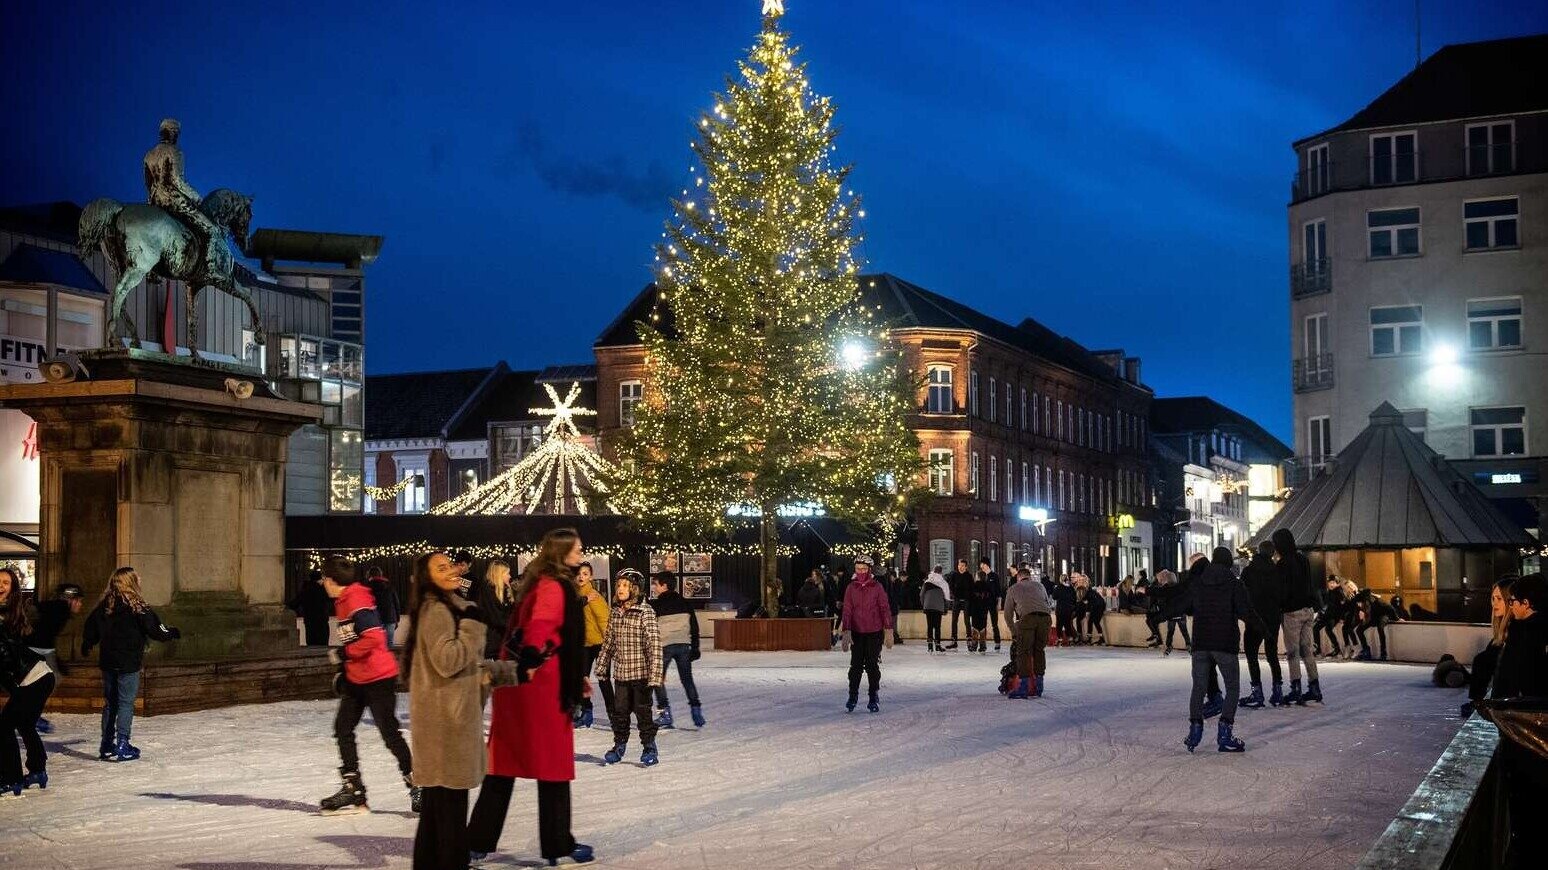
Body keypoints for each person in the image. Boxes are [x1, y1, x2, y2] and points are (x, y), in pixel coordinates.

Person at [471, 529, 594, 867]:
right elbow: (542, 625)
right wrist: (531, 657)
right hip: (540, 687)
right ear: (562, 551)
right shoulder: (554, 586)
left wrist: (575, 675)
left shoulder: (538, 582)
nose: (581, 551)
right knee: (552, 767)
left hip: (526, 687)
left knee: (503, 766)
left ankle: (477, 840)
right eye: (577, 547)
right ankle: (557, 843)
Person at [402, 549, 518, 869]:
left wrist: (511, 672)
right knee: (450, 819)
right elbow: (450, 660)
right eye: (442, 568)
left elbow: (471, 670)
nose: (452, 570)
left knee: (436, 818)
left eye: (450, 564)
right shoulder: (437, 610)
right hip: (447, 730)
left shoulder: (447, 607)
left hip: (443, 726)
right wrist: (472, 626)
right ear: (428, 578)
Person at [316, 556, 418, 815]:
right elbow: (357, 639)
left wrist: (342, 655)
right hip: (357, 677)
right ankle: (353, 787)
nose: (322, 583)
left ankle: (418, 786)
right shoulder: (345, 600)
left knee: (390, 734)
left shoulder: (355, 599)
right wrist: (345, 667)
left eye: (323, 579)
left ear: (330, 581)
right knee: (343, 728)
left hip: (378, 677)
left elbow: (374, 638)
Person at [81, 567, 180, 762]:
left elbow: (90, 626)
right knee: (125, 702)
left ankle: (107, 744)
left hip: (108, 662)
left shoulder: (105, 606)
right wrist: (172, 633)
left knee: (111, 703)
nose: (140, 578)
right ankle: (122, 743)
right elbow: (155, 629)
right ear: (131, 582)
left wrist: (88, 642)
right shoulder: (138, 606)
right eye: (137, 577)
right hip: (128, 662)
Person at [1174, 547, 1264, 753]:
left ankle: (1195, 730)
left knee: (1198, 687)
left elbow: (1182, 604)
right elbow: (1245, 612)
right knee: (1232, 688)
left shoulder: (1198, 583)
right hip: (1224, 644)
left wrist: (1158, 616)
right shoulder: (1234, 583)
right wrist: (1264, 629)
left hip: (1201, 644)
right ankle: (1224, 733)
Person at [1491, 573, 1548, 869]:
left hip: (1527, 745)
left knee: (1528, 820)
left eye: (1512, 601)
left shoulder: (1524, 635)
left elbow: (1506, 687)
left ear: (1526, 604)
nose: (1510, 607)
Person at [595, 570, 662, 764]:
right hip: (622, 675)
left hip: (641, 675)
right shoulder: (615, 612)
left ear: (634, 589)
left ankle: (649, 747)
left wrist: (655, 674)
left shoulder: (645, 612)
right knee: (620, 713)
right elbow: (609, 642)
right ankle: (619, 745)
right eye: (619, 585)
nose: (620, 589)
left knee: (643, 713)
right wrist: (602, 665)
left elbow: (654, 645)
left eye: (625, 585)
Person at [1, 566, 55, 795]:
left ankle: (11, 778)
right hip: (35, 677)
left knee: (3, 727)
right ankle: (37, 770)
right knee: (24, 724)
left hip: (34, 677)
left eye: (5, 582)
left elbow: (3, 656)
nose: (0, 586)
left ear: (13, 588)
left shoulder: (10, 614)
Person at [143, 118, 222, 270]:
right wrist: (197, 198)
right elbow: (177, 181)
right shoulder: (175, 151)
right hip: (172, 199)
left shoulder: (148, 155)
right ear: (172, 133)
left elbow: (148, 183)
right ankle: (208, 266)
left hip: (155, 201)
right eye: (176, 133)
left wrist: (152, 201)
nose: (176, 136)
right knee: (211, 229)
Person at [23, 581, 82, 735]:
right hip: (39, 650)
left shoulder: (58, 609)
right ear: (71, 599)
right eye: (79, 600)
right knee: (48, 681)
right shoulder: (60, 608)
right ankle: (31, 716)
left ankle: (31, 714)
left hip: (41, 649)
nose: (80, 605)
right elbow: (43, 630)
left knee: (46, 681)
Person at [1274, 529, 1323, 705]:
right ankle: (1314, 686)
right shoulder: (1303, 559)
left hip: (1292, 612)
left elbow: (1281, 590)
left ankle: (1296, 688)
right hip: (1308, 610)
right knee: (1307, 650)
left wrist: (1280, 605)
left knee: (1293, 652)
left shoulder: (1283, 564)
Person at [651, 571, 704, 730]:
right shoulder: (685, 603)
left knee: (657, 679)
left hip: (664, 645)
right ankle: (696, 709)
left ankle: (665, 713)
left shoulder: (656, 604)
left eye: (656, 584)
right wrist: (695, 647)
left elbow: (652, 628)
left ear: (664, 585)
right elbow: (694, 627)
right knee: (687, 679)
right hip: (683, 645)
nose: (654, 587)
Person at [840, 555, 892, 712]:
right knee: (855, 666)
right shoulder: (851, 588)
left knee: (872, 665)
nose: (861, 571)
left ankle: (873, 695)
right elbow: (847, 610)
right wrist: (846, 630)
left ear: (869, 570)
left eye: (863, 569)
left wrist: (888, 629)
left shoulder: (877, 587)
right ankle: (853, 695)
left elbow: (884, 608)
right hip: (856, 632)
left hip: (874, 632)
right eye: (858, 569)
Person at [1238, 541, 1285, 708]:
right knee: (1272, 654)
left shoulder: (1249, 571)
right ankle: (1277, 690)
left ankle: (1257, 691)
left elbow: (1242, 594)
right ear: (1272, 554)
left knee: (1252, 655)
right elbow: (1282, 594)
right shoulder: (1277, 571)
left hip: (1255, 617)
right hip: (1272, 617)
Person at [1461, 575, 1515, 718]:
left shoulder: (1516, 630)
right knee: (1483, 657)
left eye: (1499, 599)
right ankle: (1478, 701)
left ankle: (1479, 701)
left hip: (1511, 701)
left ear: (1510, 601)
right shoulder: (1500, 635)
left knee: (1483, 659)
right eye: (1493, 599)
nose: (1494, 603)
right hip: (1499, 699)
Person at [1004, 567, 1053, 698]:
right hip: (1046, 618)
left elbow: (1007, 615)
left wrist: (1014, 632)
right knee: (1039, 650)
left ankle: (1023, 687)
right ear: (1029, 577)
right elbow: (1048, 604)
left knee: (1023, 652)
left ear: (1018, 578)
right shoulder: (1040, 586)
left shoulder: (1013, 588)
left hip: (1027, 618)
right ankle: (1039, 685)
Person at [573, 563, 612, 729]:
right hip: (584, 644)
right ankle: (586, 712)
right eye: (579, 574)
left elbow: (604, 620)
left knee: (603, 680)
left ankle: (614, 714)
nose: (581, 577)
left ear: (591, 576)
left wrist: (608, 644)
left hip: (599, 643)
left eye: (585, 574)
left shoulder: (593, 595)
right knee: (582, 679)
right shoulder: (576, 596)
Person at [478, 559, 517, 660]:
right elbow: (496, 618)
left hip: (504, 642)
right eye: (507, 573)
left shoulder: (506, 590)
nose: (510, 576)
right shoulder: (488, 591)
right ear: (499, 574)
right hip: (493, 643)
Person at [288, 569, 331, 646]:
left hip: (309, 620)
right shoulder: (322, 590)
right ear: (319, 579)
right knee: (322, 644)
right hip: (321, 621)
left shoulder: (305, 590)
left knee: (311, 643)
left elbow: (295, 603)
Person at [1355, 591, 1398, 661]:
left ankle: (1383, 651)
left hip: (1383, 615)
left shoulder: (1377, 602)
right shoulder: (1363, 604)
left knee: (1380, 628)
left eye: (1360, 603)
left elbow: (1390, 608)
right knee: (1359, 630)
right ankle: (1366, 649)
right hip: (1373, 617)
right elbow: (1363, 615)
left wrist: (1397, 618)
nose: (1359, 605)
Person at [364, 566, 401, 648]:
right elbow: (396, 603)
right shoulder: (389, 586)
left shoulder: (367, 588)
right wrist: (397, 619)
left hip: (374, 620)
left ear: (369, 575)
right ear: (380, 574)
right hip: (390, 618)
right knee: (389, 644)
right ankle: (390, 660)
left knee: (376, 646)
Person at [920, 566, 951, 652]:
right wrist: (946, 608)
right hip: (938, 607)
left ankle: (930, 646)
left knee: (929, 626)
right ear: (941, 572)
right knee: (937, 627)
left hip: (928, 606)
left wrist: (924, 605)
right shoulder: (943, 583)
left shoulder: (927, 581)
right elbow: (947, 597)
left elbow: (921, 595)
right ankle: (937, 645)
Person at [944, 559, 973, 651]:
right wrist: (954, 594)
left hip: (966, 600)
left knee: (967, 621)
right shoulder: (954, 575)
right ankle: (953, 641)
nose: (960, 567)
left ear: (966, 567)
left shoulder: (969, 576)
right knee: (954, 620)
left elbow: (972, 588)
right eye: (959, 565)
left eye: (962, 565)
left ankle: (969, 640)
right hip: (956, 600)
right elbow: (950, 586)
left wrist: (968, 596)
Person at [1314, 577, 1346, 658]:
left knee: (1328, 629)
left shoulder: (1339, 591)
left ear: (1337, 583)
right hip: (1328, 615)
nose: (1331, 584)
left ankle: (1337, 648)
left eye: (1333, 583)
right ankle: (1318, 649)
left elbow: (1343, 605)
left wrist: (1342, 618)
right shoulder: (1330, 592)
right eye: (1330, 582)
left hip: (1335, 616)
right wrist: (1320, 615)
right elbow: (1327, 606)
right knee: (1315, 628)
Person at [976, 558, 1002, 652]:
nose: (981, 567)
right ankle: (983, 644)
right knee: (983, 623)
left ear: (986, 565)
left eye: (982, 565)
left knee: (994, 623)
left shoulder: (994, 576)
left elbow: (998, 591)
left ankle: (997, 642)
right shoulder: (980, 576)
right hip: (983, 603)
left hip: (992, 602)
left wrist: (999, 603)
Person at [966, 570, 994, 654]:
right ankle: (983, 645)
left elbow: (969, 599)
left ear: (977, 577)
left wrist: (968, 611)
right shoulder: (988, 586)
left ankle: (974, 645)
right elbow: (990, 598)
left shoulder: (973, 586)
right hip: (984, 610)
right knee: (983, 627)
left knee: (974, 627)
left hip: (974, 609)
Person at [1080, 574, 1107, 645]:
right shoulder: (1090, 590)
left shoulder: (1088, 591)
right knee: (1092, 622)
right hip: (1099, 605)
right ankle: (1098, 638)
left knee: (1094, 621)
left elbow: (1088, 602)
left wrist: (1087, 611)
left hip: (1097, 606)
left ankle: (1096, 639)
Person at [1052, 575, 1077, 647]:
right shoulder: (1071, 588)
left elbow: (1054, 597)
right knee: (1068, 624)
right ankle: (1070, 639)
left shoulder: (1058, 587)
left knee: (1059, 625)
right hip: (1069, 609)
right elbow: (1074, 599)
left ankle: (1059, 639)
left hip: (1060, 609)